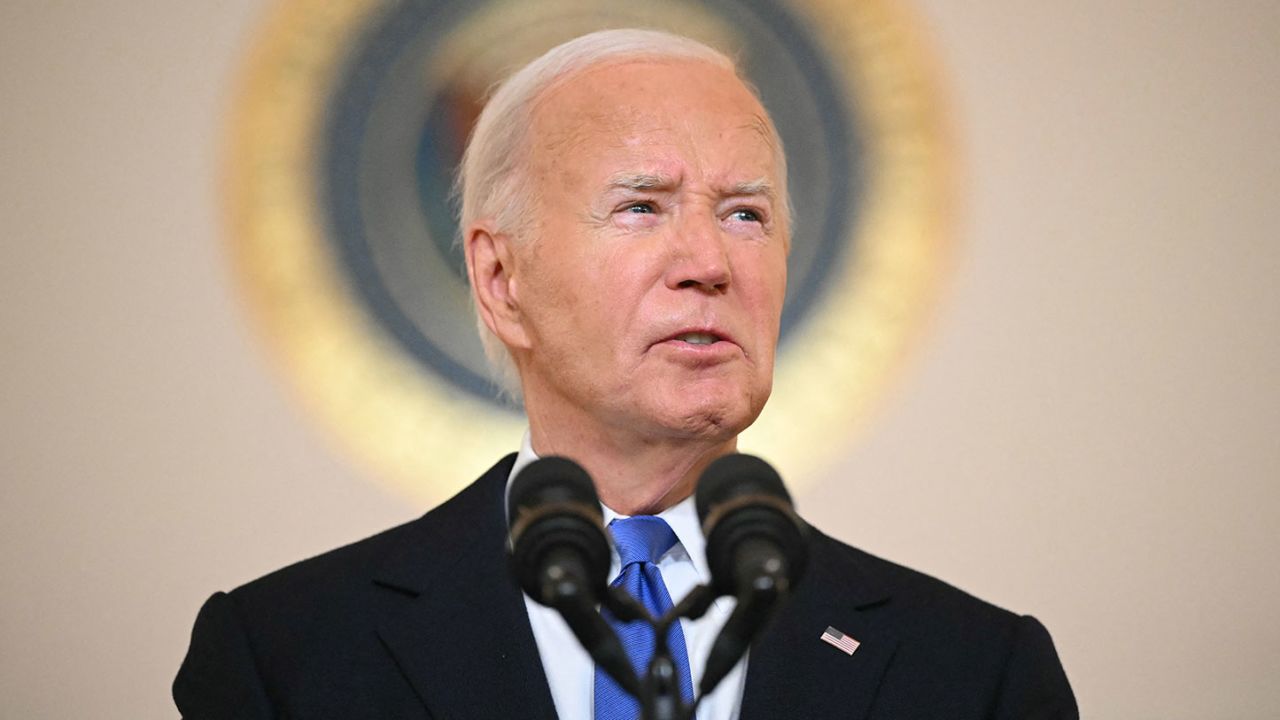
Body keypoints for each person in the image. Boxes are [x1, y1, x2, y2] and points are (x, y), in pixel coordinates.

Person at [174, 29, 1077, 719]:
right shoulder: (284, 662)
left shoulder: (974, 674)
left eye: (746, 215)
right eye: (642, 207)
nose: (709, 263)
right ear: (501, 281)